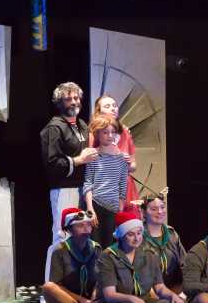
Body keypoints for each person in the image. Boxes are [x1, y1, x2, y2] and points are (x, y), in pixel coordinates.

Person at [40, 82, 99, 281]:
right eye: (68, 98)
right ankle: (52, 287)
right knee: (62, 237)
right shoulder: (54, 128)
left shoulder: (82, 125)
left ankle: (77, 285)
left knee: (82, 238)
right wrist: (79, 159)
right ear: (59, 103)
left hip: (84, 188)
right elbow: (51, 163)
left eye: (76, 97)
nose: (74, 102)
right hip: (65, 189)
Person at [94, 211, 185, 303]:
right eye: (131, 234)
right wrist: (132, 299)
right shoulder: (108, 256)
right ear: (121, 235)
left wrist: (172, 295)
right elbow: (110, 295)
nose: (137, 238)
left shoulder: (150, 254)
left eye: (139, 233)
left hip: (145, 302)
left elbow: (160, 288)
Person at [42, 208, 101, 303]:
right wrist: (82, 300)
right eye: (80, 226)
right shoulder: (60, 250)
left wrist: (94, 298)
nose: (86, 229)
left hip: (90, 300)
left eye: (88, 225)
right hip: (70, 300)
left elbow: (99, 280)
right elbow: (57, 285)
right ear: (69, 229)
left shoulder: (96, 248)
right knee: (49, 287)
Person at [82, 114, 128, 247]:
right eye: (105, 132)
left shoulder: (121, 159)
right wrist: (90, 208)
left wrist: (120, 211)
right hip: (96, 205)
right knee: (95, 246)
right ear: (98, 134)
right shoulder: (93, 156)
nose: (110, 135)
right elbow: (88, 183)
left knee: (110, 247)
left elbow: (122, 187)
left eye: (113, 132)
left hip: (113, 209)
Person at [92, 94, 139, 209]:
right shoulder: (94, 133)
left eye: (114, 105)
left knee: (131, 219)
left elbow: (133, 165)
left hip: (126, 187)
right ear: (98, 112)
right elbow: (91, 165)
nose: (113, 108)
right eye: (107, 106)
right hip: (105, 187)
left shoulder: (125, 132)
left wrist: (127, 164)